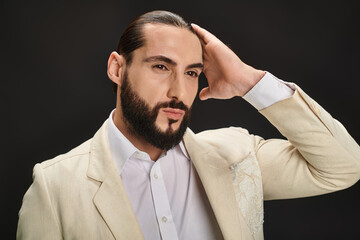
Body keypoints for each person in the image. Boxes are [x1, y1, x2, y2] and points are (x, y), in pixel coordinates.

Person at [17, 10, 360, 240]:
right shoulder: (55, 185)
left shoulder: (238, 155)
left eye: (192, 73)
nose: (179, 92)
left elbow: (345, 165)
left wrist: (248, 82)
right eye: (161, 67)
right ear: (117, 69)